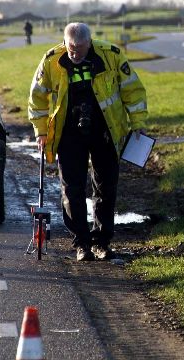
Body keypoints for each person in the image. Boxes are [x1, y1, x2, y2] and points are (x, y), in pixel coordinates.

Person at [28, 22, 148, 261]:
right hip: (69, 133)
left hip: (105, 129)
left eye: (80, 49)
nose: (74, 54)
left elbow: (133, 90)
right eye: (71, 48)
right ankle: (81, 243)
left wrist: (138, 122)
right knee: (72, 188)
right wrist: (41, 132)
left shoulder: (110, 56)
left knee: (106, 187)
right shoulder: (52, 60)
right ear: (65, 43)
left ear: (90, 43)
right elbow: (37, 97)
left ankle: (102, 242)